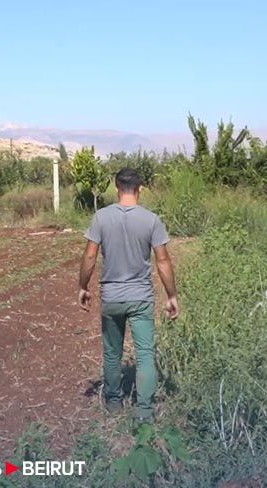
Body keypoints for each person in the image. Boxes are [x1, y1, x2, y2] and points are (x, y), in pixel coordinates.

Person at [78, 167, 179, 422]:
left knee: (112, 353)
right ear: (140, 189)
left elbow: (90, 255)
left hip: (111, 298)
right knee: (145, 354)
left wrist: (83, 286)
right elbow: (163, 261)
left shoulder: (101, 218)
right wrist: (171, 295)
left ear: (116, 188)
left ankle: (113, 403)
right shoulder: (151, 220)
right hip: (141, 298)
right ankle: (144, 411)